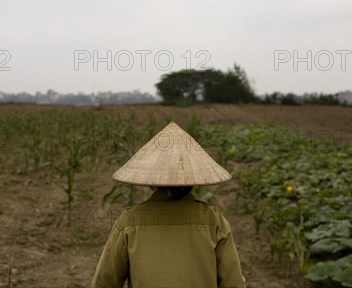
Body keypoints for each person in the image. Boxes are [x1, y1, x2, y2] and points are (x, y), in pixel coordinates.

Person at [92, 122, 246, 288]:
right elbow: (233, 283)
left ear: (154, 182)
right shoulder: (213, 221)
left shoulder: (130, 221)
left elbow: (104, 282)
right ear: (193, 181)